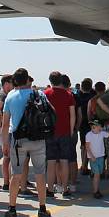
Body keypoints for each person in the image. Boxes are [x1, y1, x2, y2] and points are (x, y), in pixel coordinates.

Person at [2, 68, 51, 217]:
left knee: (15, 175)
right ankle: (42, 208)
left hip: (19, 140)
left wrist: (5, 143)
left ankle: (12, 208)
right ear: (28, 80)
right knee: (40, 173)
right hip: (38, 139)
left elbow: (5, 124)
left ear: (15, 81)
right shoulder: (39, 94)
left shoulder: (11, 96)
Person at [45, 71, 76, 199]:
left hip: (50, 132)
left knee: (51, 162)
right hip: (65, 131)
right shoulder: (69, 95)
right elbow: (72, 115)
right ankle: (65, 188)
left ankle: (51, 189)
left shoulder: (45, 94)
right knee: (64, 161)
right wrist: (71, 130)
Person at [85, 119, 109, 199]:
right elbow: (87, 147)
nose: (93, 127)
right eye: (92, 126)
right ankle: (95, 191)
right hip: (93, 158)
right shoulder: (89, 135)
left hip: (100, 157)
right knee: (97, 174)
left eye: (95, 126)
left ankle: (96, 188)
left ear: (100, 127)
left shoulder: (102, 133)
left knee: (99, 173)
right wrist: (91, 156)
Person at [76, 78, 94, 174]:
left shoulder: (77, 95)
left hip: (81, 123)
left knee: (83, 145)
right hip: (91, 123)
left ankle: (83, 166)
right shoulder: (93, 96)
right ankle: (85, 166)